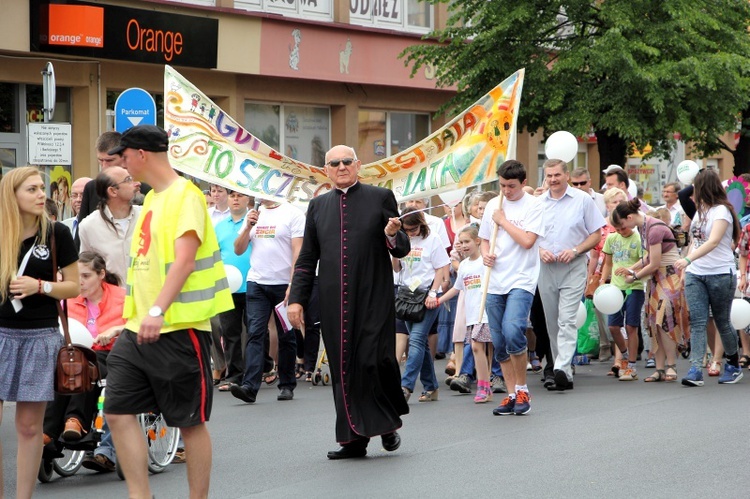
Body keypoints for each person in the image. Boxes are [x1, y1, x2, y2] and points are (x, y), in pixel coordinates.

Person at [103, 125, 232, 498]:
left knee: (189, 423)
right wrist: (129, 319)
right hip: (136, 328)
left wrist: (158, 310)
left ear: (141, 154)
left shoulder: (184, 196)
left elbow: (185, 261)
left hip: (179, 328)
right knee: (116, 410)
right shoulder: (153, 200)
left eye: (124, 158)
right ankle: (140, 495)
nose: (123, 167)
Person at [288, 144, 410, 460]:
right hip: (332, 299)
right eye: (334, 163)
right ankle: (353, 440)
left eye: (346, 162)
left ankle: (386, 424)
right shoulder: (317, 207)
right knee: (343, 367)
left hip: (373, 294)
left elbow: (401, 249)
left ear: (357, 165)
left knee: (372, 359)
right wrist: (296, 299)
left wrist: (393, 234)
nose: (341, 167)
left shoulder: (380, 198)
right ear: (325, 170)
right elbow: (306, 257)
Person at [0, 166, 79, 499]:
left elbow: (74, 287)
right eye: (31, 189)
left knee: (30, 427)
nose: (40, 194)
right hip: (1, 334)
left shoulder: (57, 233)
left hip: (39, 336)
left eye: (40, 188)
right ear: (12, 195)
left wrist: (42, 285)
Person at [42, 252, 125, 473]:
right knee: (63, 367)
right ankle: (54, 431)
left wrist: (114, 331)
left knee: (82, 365)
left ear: (101, 275)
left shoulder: (121, 297)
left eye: (86, 276)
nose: (80, 281)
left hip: (112, 355)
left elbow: (137, 324)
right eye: (76, 276)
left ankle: (69, 423)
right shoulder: (67, 301)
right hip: (75, 357)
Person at [478, 160, 544, 415]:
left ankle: (523, 388)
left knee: (513, 328)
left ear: (523, 183)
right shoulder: (495, 205)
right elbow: (485, 239)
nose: (506, 191)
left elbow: (528, 241)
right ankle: (510, 394)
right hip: (495, 279)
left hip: (522, 278)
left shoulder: (534, 206)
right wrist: (486, 255)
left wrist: (503, 221)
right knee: (499, 340)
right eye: (502, 185)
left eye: (512, 186)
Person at [538, 159, 606, 391]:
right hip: (546, 267)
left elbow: (596, 235)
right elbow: (530, 237)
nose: (553, 179)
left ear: (566, 175)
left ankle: (561, 367)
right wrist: (540, 250)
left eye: (557, 175)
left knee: (566, 318)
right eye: (549, 176)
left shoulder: (583, 200)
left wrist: (576, 250)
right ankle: (563, 370)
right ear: (545, 178)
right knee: (552, 321)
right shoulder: (537, 203)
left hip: (574, 265)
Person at [230, 196, 304, 403]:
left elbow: (298, 250)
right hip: (257, 282)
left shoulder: (292, 213)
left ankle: (287, 384)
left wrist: (293, 284)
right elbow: (238, 249)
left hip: (283, 284)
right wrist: (247, 227)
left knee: (286, 335)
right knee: (255, 332)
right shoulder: (253, 214)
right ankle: (250, 387)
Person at [674, 169, 742, 386]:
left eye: (697, 188)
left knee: (722, 321)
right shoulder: (700, 211)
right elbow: (696, 239)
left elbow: (712, 242)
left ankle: (732, 362)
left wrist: (687, 260)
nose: (693, 193)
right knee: (698, 321)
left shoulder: (722, 211)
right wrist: (687, 267)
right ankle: (695, 370)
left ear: (704, 188)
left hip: (720, 273)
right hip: (697, 273)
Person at [612, 200, 689, 383]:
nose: (623, 229)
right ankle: (660, 368)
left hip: (669, 275)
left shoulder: (653, 228)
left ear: (629, 218)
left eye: (622, 224)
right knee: (654, 322)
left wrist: (635, 276)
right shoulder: (644, 227)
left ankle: (671, 365)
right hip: (657, 277)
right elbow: (648, 257)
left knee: (664, 319)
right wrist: (632, 269)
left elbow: (654, 262)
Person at [393, 208, 450, 403]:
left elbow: (442, 267)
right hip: (407, 295)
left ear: (421, 224)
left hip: (427, 294)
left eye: (415, 228)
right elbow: (396, 268)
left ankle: (405, 385)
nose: (412, 233)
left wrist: (434, 292)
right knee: (421, 344)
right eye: (407, 229)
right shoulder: (402, 238)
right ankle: (431, 386)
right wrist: (395, 249)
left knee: (416, 339)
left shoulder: (432, 238)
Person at [437, 225, 493, 403]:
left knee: (480, 347)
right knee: (478, 348)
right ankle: (485, 385)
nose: (463, 245)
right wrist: (439, 300)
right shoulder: (464, 266)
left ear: (478, 241)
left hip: (484, 313)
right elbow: (457, 288)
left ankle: (485, 386)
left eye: (467, 241)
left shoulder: (485, 261)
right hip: (471, 315)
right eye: (460, 242)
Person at [599, 211, 645, 381]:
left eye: (623, 228)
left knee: (631, 326)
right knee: (613, 326)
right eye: (617, 229)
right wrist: (603, 280)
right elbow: (608, 263)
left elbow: (645, 261)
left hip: (634, 286)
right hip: (615, 288)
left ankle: (631, 366)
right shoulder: (612, 238)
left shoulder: (638, 239)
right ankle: (625, 355)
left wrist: (631, 270)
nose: (620, 231)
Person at [215, 190, 252, 390]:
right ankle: (235, 376)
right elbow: (214, 256)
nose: (235, 199)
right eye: (231, 195)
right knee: (230, 332)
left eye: (240, 195)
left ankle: (258, 370)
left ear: (248, 199)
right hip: (227, 287)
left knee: (255, 331)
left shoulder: (255, 221)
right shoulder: (219, 227)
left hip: (254, 284)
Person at [78, 167, 142, 285]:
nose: (137, 184)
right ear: (113, 191)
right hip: (110, 300)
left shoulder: (147, 216)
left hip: (147, 298)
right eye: (128, 180)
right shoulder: (89, 226)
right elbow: (86, 269)